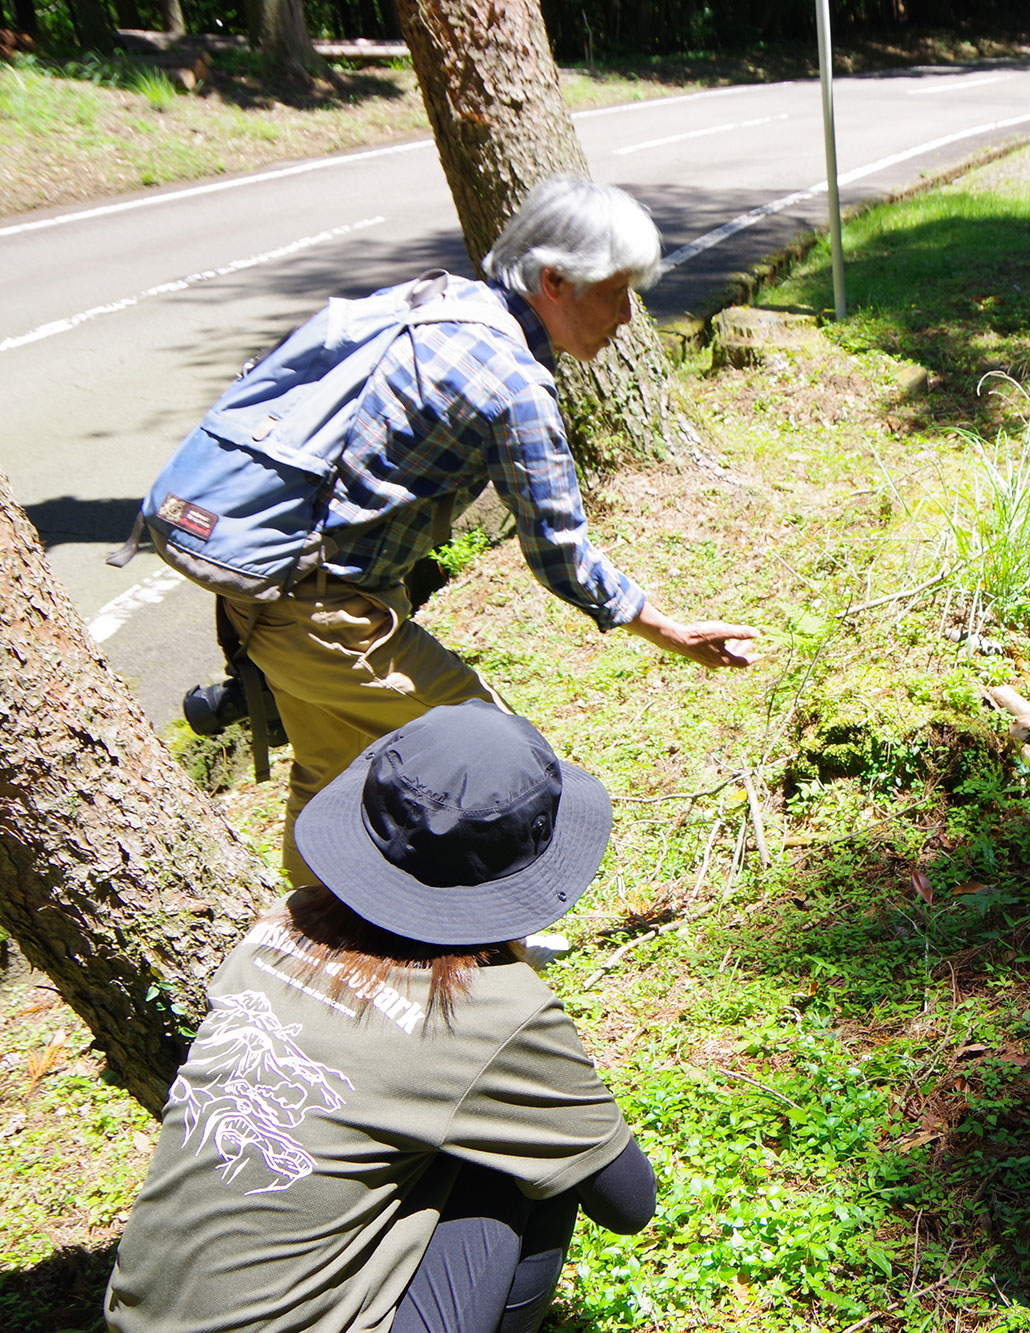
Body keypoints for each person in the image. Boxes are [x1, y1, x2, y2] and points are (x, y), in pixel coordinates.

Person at [214, 174, 758, 885]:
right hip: (323, 611)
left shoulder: (442, 302)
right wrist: (672, 631)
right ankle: (492, 943)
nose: (627, 315)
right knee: (497, 767)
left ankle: (319, 945)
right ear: (555, 281)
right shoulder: (513, 382)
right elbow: (560, 551)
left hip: (260, 579)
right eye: (616, 291)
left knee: (331, 773)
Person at [106, 701, 654, 1333]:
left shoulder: (272, 933)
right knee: (534, 1160)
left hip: (134, 1318)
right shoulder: (498, 1012)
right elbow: (628, 1202)